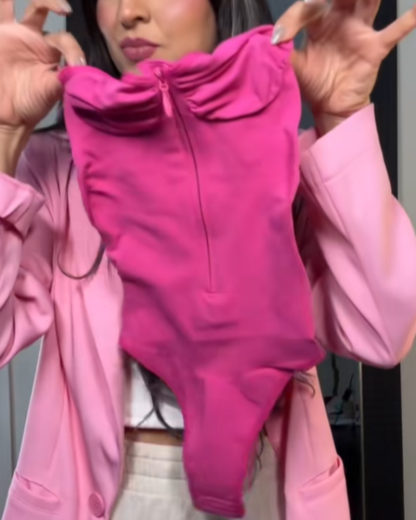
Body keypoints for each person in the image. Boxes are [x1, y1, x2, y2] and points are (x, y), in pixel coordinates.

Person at [1, 0, 416, 519]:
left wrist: (341, 119)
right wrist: (5, 136)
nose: (128, 12)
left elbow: (382, 331)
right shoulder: (58, 167)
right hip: (104, 498)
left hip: (268, 487)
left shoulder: (280, 161)